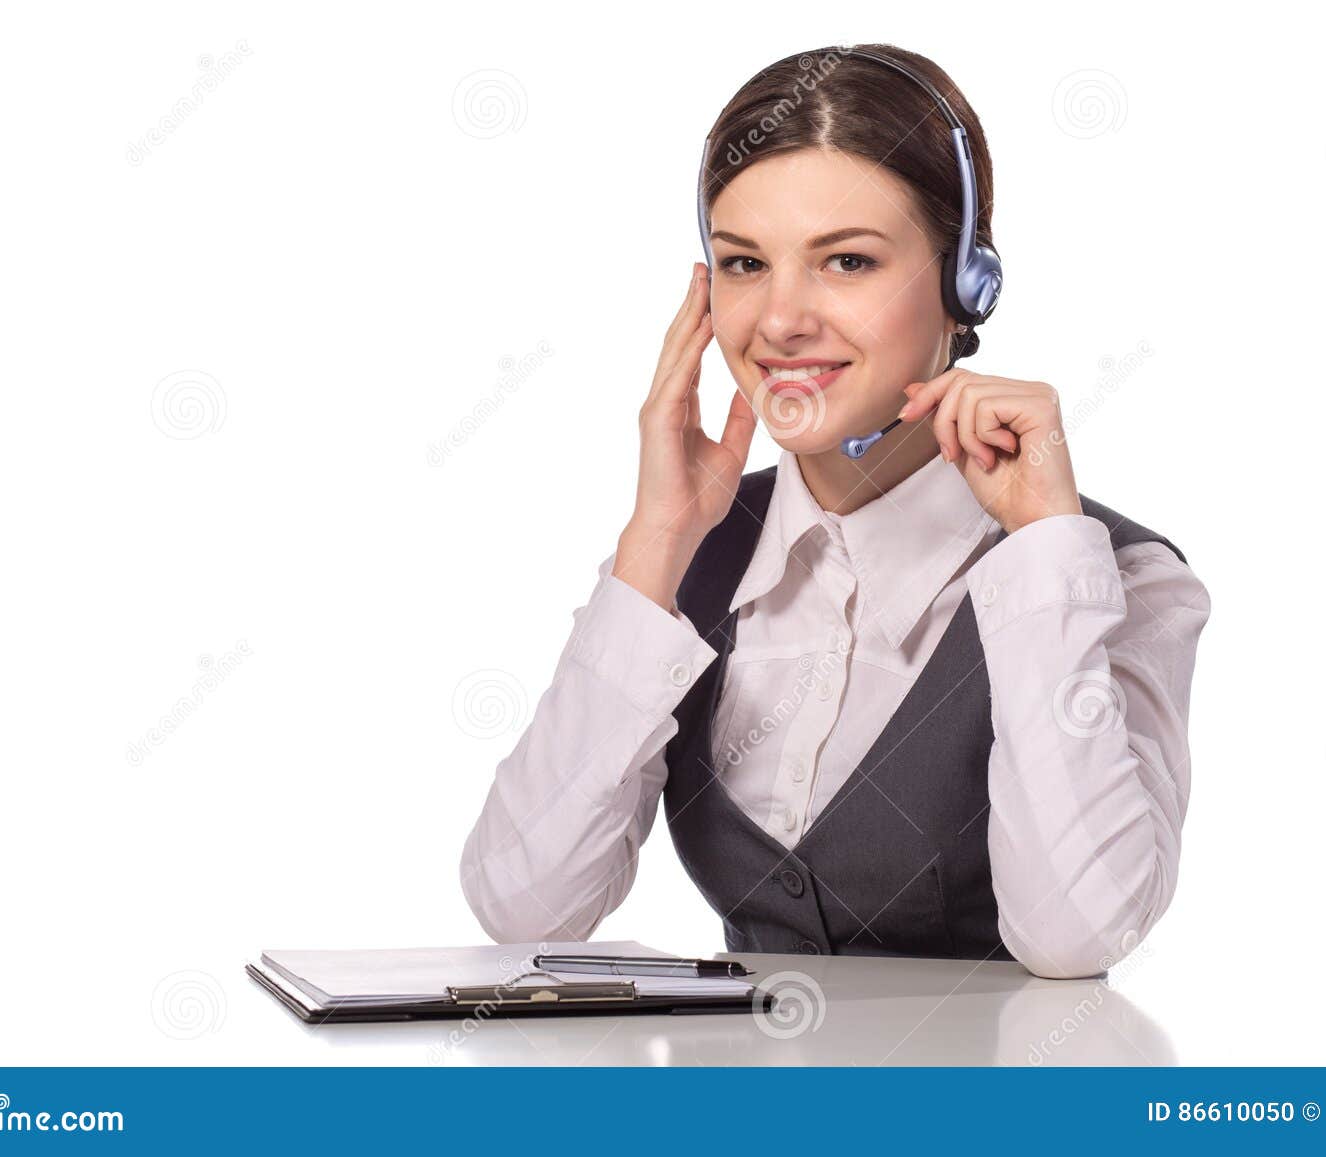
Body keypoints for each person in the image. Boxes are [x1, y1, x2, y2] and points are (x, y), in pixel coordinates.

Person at [459, 43, 1211, 980]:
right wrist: (655, 544)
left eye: (845, 260)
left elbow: (1079, 934)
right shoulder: (694, 555)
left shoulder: (1118, 577)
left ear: (964, 284)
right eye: (743, 264)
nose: (778, 320)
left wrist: (1047, 546)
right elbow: (524, 908)